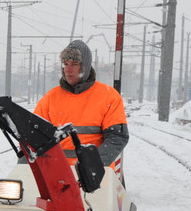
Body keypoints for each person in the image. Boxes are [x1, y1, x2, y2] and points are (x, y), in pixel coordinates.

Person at [33, 39, 129, 168]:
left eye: (74, 64)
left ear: (85, 66)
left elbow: (117, 137)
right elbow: (33, 138)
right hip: (57, 176)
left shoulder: (109, 96)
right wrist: (23, 169)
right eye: (65, 64)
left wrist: (92, 166)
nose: (68, 69)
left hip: (97, 178)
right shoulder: (50, 98)